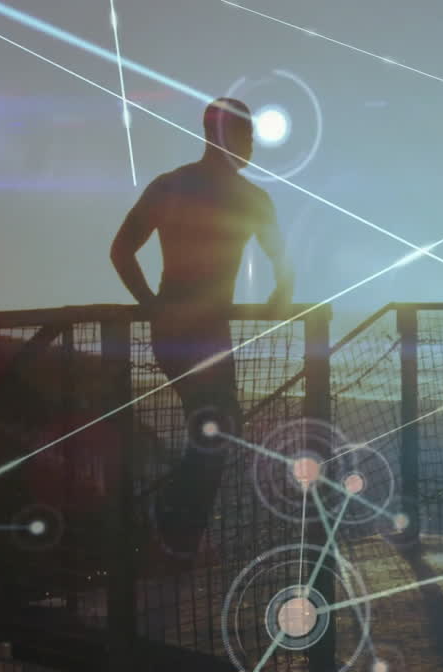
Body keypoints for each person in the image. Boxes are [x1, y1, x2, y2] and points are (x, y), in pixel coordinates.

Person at [109, 97, 294, 558]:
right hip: (200, 333)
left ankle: (176, 535)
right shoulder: (250, 198)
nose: (251, 145)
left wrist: (153, 304)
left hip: (179, 330)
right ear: (227, 135)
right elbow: (283, 267)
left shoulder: (171, 186)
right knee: (216, 430)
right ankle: (174, 532)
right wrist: (279, 300)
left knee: (211, 429)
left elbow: (121, 251)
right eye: (248, 136)